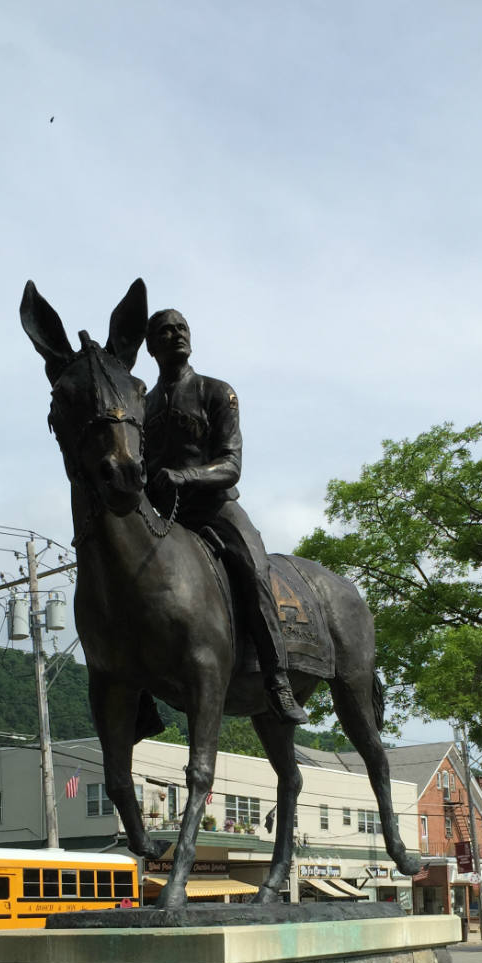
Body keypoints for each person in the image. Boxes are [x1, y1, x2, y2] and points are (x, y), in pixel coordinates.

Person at [143, 307, 308, 726]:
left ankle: (276, 677)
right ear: (150, 346)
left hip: (215, 508)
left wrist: (186, 475)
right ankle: (139, 697)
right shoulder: (142, 406)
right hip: (165, 517)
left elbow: (231, 465)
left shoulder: (216, 392)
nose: (176, 334)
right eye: (165, 331)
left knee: (254, 571)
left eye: (182, 328)